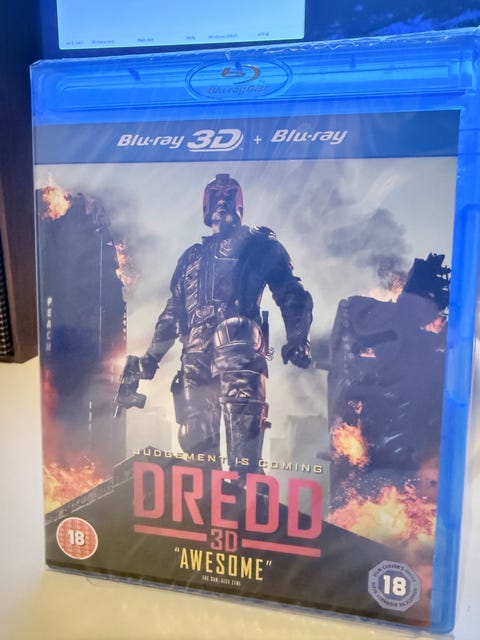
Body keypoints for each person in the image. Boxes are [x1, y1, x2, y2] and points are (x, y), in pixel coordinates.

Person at [139, 174, 313, 478]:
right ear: (206, 207)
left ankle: (246, 486)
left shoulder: (259, 245)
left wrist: (298, 339)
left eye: (229, 196)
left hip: (238, 350)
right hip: (195, 357)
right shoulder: (190, 258)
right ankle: (208, 495)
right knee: (198, 448)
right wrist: (151, 357)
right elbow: (173, 313)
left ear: (239, 204)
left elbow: (291, 293)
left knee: (244, 449)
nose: (222, 201)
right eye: (216, 197)